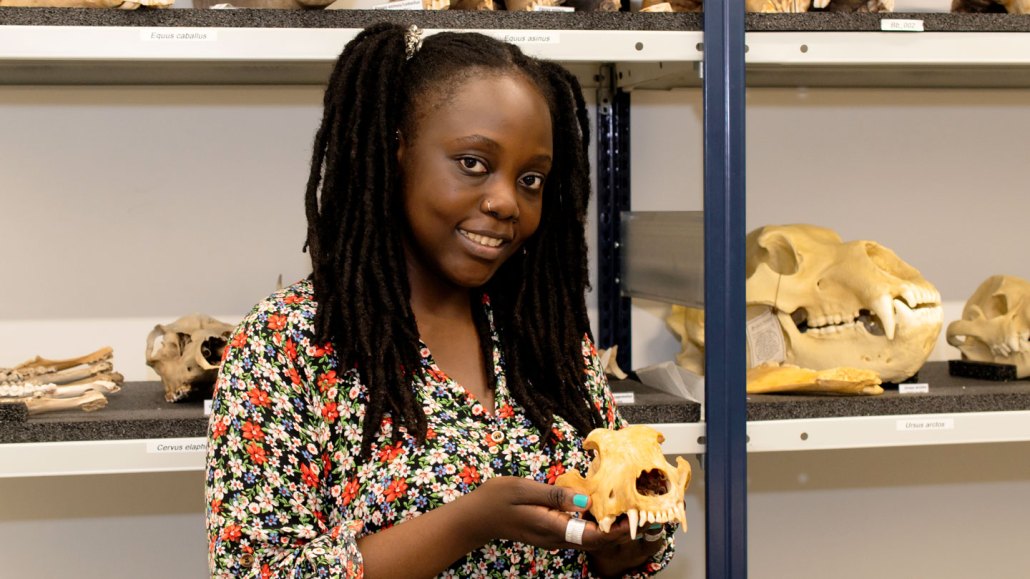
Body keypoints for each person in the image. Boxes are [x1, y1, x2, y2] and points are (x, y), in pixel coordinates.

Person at [205, 22, 676, 578]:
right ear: (396, 151)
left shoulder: (546, 337)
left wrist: (624, 544)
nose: (506, 201)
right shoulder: (288, 343)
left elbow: (614, 531)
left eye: (530, 179)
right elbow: (254, 572)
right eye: (473, 163)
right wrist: (469, 522)